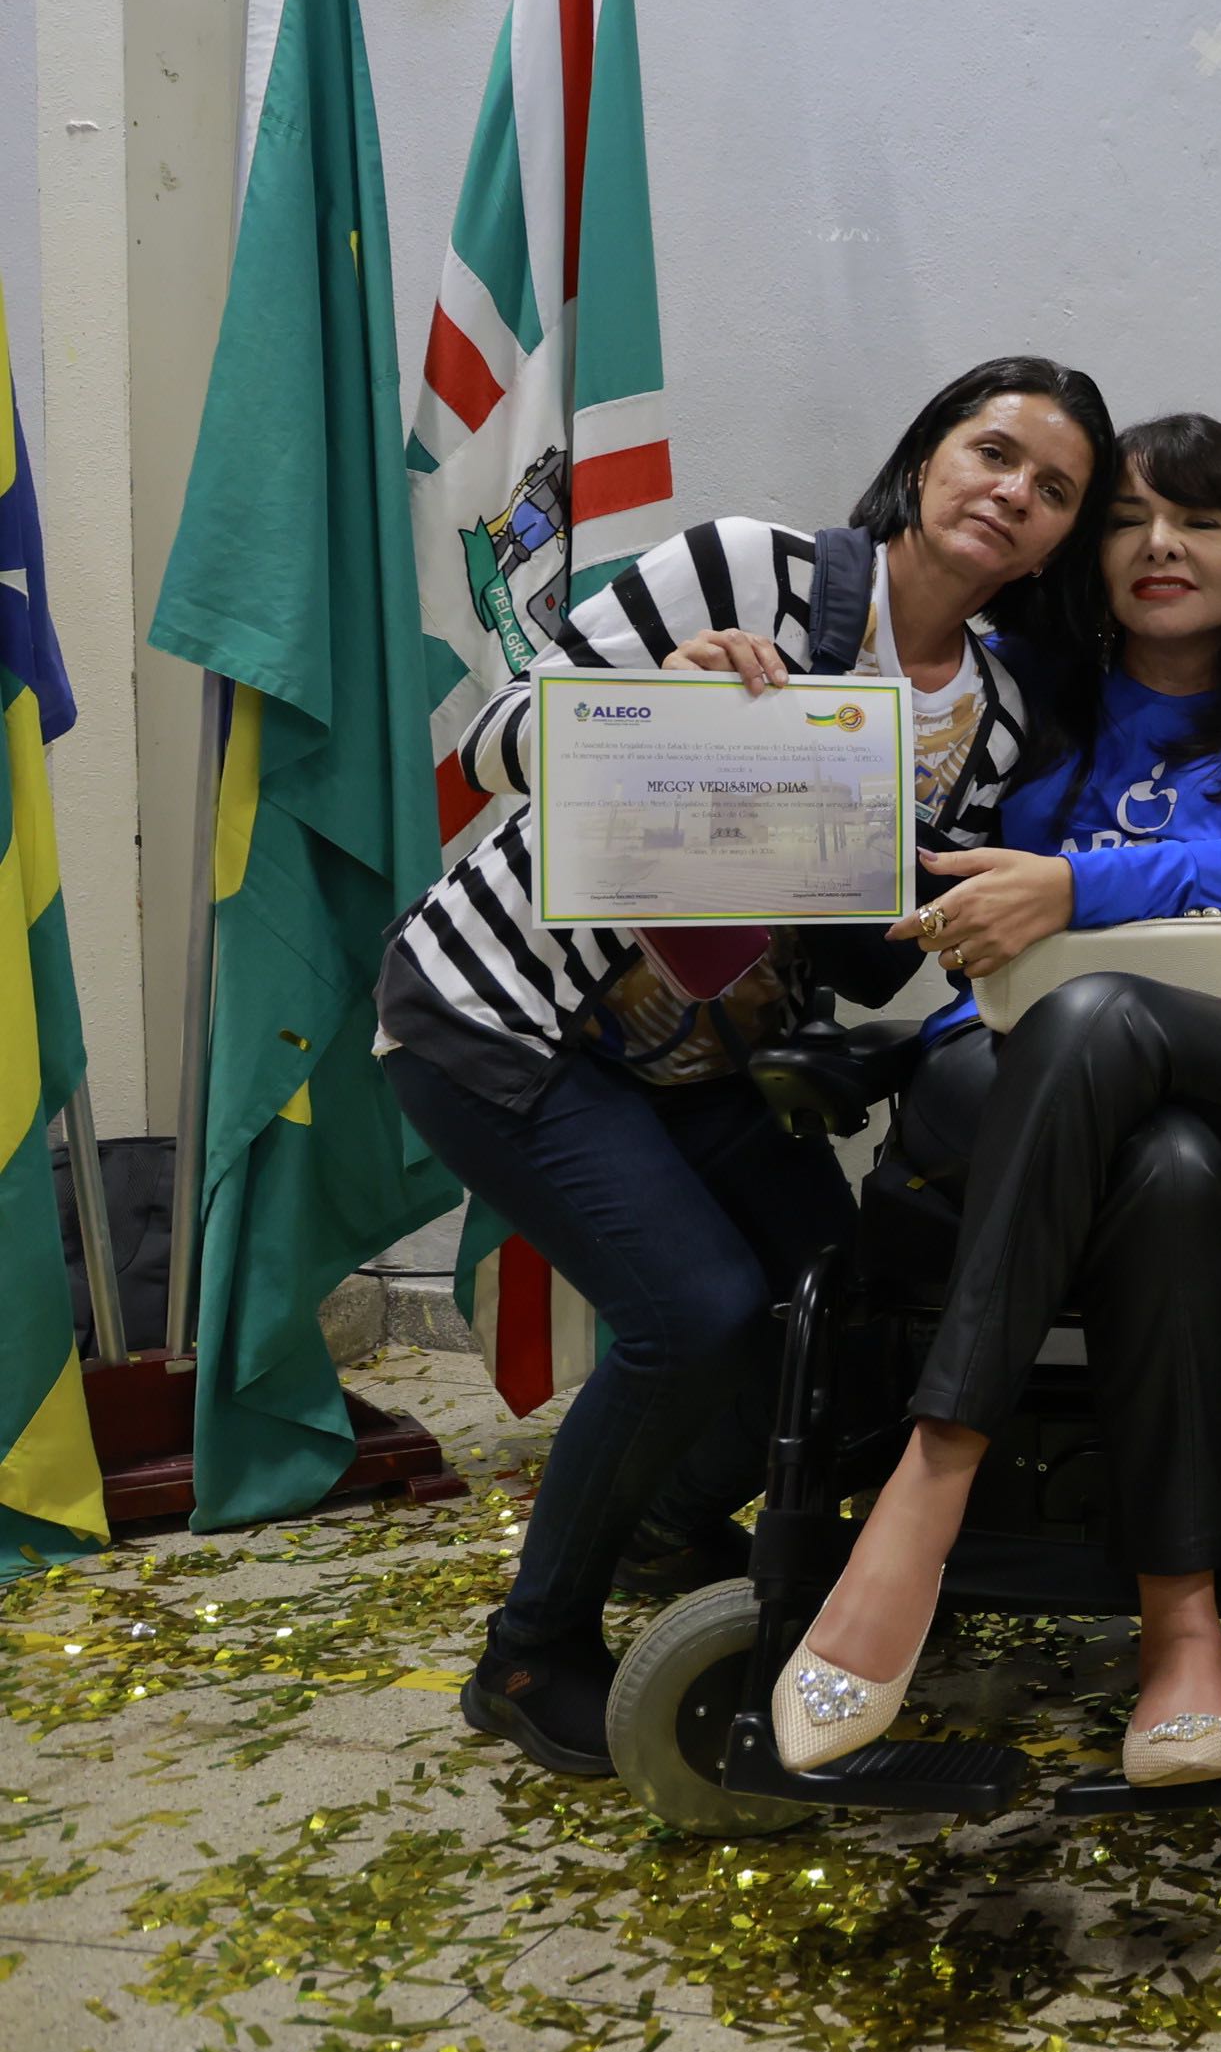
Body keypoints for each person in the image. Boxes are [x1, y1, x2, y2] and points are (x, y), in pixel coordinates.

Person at [381, 356, 1117, 1776]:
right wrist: (658, 703)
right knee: (700, 1315)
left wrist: (969, 908)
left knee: (853, 1319)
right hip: (508, 1020)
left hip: (708, 1059)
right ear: (927, 457)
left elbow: (866, 957)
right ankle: (530, 1652)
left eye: (1054, 490)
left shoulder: (1002, 716)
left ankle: (660, 1524)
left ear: (1058, 542)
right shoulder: (746, 570)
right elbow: (495, 742)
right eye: (993, 453)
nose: (1013, 493)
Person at [772, 414, 1221, 1785]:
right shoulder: (1023, 687)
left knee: (1102, 1012)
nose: (1160, 546)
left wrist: (1072, 886)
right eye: (1126, 519)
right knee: (1162, 1162)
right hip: (1006, 1065)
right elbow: (858, 783)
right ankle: (1182, 1624)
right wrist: (726, 690)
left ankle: (928, 1483)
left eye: (1201, 520)